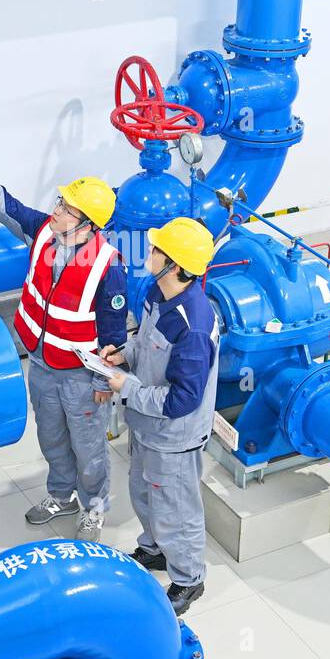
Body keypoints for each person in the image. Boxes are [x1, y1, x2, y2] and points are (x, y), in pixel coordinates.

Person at [0, 131, 127, 542]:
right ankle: (61, 496)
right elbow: (2, 203)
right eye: (59, 203)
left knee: (89, 449)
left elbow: (114, 337)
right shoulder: (43, 233)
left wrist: (106, 383)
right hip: (41, 362)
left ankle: (95, 506)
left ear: (87, 224)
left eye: (67, 209)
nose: (56, 211)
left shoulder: (109, 267)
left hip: (82, 377)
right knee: (50, 436)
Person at [101, 216, 219, 616]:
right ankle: (153, 549)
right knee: (143, 491)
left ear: (176, 267)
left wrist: (126, 387)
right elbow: (144, 340)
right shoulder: (156, 292)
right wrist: (123, 354)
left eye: (156, 251)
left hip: (174, 436)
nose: (148, 254)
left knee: (176, 508)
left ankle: (189, 578)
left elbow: (182, 399)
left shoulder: (195, 326)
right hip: (146, 424)